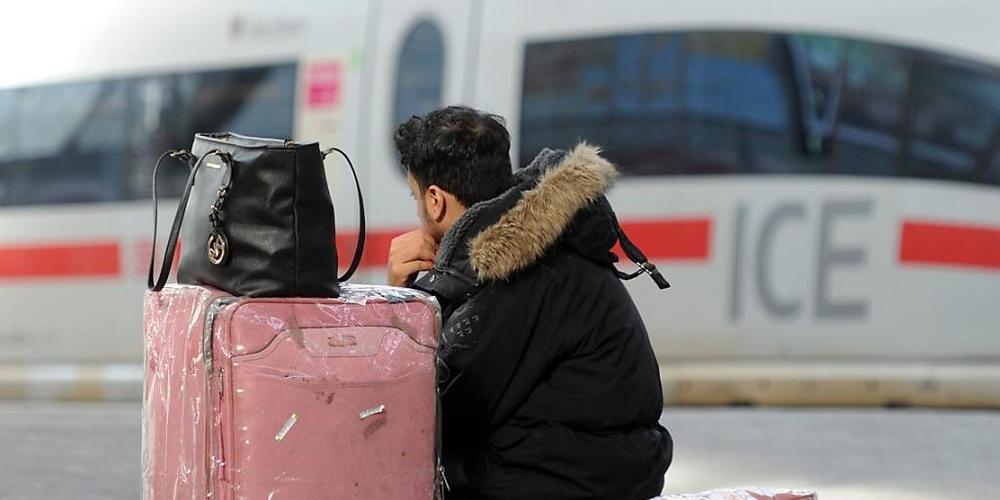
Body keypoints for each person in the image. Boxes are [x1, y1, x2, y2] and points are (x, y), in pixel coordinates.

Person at [388, 106, 672, 499]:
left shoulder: (512, 273)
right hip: (599, 471)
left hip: (575, 481)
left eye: (414, 195)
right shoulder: (541, 246)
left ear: (435, 200)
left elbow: (428, 415)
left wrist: (404, 300)